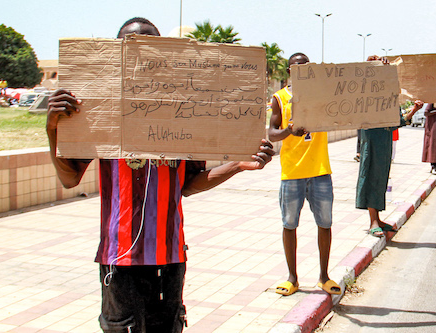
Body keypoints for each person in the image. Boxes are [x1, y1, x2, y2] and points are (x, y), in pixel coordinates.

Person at [47, 17, 275, 333]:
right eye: (131, 46)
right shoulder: (101, 112)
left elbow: (188, 184)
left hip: (169, 258)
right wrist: (52, 128)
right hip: (120, 258)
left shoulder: (186, 109)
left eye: (152, 45)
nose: (142, 54)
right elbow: (70, 178)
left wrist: (237, 165)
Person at [268, 53, 340, 296]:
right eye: (297, 68)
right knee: (289, 224)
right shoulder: (280, 98)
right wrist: (289, 131)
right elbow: (272, 133)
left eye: (306, 68)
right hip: (292, 172)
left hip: (320, 170)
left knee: (325, 224)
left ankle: (324, 276)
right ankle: (292, 277)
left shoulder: (321, 95)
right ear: (290, 71)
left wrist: (375, 66)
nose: (301, 71)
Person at [356, 56, 424, 237]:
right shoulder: (366, 93)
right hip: (371, 139)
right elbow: (358, 78)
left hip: (385, 140)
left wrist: (415, 110)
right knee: (370, 175)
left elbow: (398, 121)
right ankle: (373, 221)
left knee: (381, 178)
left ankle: (378, 218)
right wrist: (372, 62)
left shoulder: (389, 97)